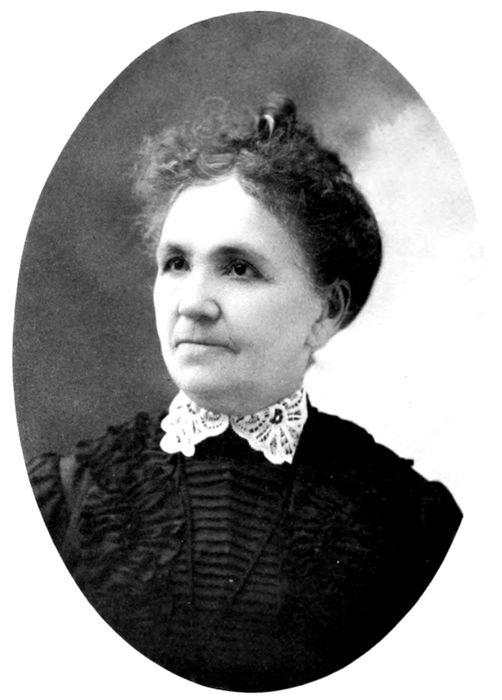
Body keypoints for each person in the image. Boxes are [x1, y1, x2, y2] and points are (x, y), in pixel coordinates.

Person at [26, 95, 462, 692]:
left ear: (326, 312)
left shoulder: (412, 526)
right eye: (176, 264)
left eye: (238, 268)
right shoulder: (61, 500)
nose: (192, 304)